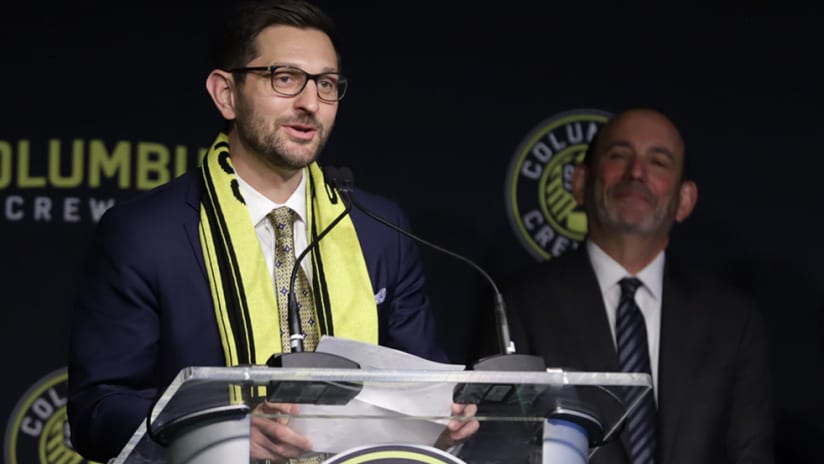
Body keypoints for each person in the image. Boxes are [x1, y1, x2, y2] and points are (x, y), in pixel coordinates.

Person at [67, 1, 476, 462]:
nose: (309, 104)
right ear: (226, 93)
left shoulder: (379, 229)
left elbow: (423, 391)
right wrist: (223, 435)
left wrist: (446, 421)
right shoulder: (146, 233)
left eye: (325, 84)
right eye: (284, 78)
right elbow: (98, 412)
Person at [501, 108, 774, 463]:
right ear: (580, 182)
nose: (636, 173)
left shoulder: (732, 319)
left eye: (658, 162)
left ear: (685, 199)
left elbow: (750, 455)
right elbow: (500, 446)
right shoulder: (522, 303)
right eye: (619, 156)